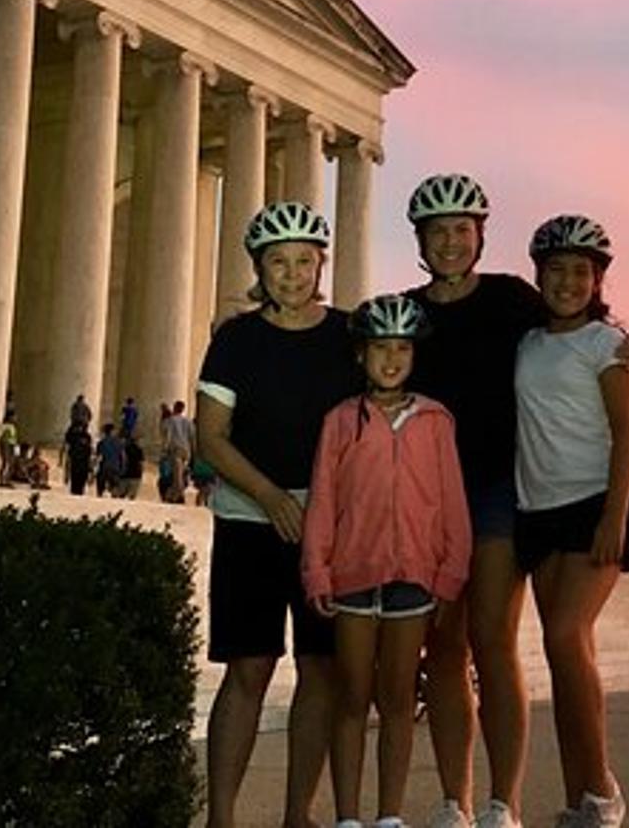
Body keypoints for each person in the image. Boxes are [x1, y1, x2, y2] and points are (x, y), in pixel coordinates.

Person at [400, 174, 629, 828]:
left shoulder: (513, 300)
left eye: (462, 229)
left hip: (499, 492)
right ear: (421, 240)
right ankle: (454, 799)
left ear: (480, 235)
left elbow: (585, 329)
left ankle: (503, 804)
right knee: (443, 646)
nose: (451, 241)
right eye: (438, 231)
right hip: (431, 495)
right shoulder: (405, 312)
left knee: (493, 638)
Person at [197, 201, 355, 828]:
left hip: (326, 530)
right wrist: (272, 498)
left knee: (320, 668)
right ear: (259, 269)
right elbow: (212, 437)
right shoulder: (236, 340)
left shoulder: (349, 336)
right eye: (278, 263)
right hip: (249, 520)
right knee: (249, 667)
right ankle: (223, 819)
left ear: (321, 264)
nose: (292, 274)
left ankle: (299, 815)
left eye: (303, 261)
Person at [303, 293, 473, 828]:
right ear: (360, 355)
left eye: (401, 347)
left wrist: (451, 575)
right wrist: (317, 570)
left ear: (414, 354)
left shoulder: (436, 421)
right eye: (380, 348)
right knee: (352, 697)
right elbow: (323, 500)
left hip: (414, 581)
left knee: (398, 700)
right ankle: (349, 817)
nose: (391, 359)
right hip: (354, 575)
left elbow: (453, 503)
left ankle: (389, 816)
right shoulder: (339, 422)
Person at [516, 214, 629, 828]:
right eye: (557, 270)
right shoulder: (527, 342)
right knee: (564, 655)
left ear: (598, 281)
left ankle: (602, 791)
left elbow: (626, 434)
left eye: (580, 272)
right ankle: (578, 803)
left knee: (567, 636)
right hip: (538, 510)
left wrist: (614, 517)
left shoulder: (608, 345)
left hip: (595, 504)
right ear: (538, 276)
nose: (568, 282)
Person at [161, 399, 195, 504]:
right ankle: (173, 496)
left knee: (177, 476)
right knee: (179, 474)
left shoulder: (171, 420)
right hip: (186, 450)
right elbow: (192, 437)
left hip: (175, 450)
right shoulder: (188, 421)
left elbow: (167, 435)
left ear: (175, 407)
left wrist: (164, 449)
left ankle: (179, 497)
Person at [61, 414, 92, 496]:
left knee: (79, 481)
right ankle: (77, 492)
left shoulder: (86, 436)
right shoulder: (75, 436)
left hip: (80, 461)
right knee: (76, 481)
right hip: (77, 461)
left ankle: (78, 492)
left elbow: (89, 450)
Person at [93, 421, 123, 498]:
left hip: (104, 467)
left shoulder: (101, 443)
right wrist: (122, 468)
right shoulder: (118, 443)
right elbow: (122, 456)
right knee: (114, 486)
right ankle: (114, 499)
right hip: (115, 467)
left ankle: (100, 496)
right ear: (112, 431)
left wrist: (93, 469)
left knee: (101, 486)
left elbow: (97, 457)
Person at [118, 425, 145, 500]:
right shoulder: (139, 450)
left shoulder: (125, 448)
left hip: (125, 475)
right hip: (135, 475)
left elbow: (122, 460)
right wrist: (141, 473)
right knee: (132, 497)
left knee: (121, 496)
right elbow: (141, 463)